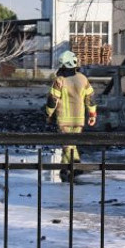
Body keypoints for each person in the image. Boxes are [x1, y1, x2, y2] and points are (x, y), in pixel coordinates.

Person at [44, 50, 96, 181]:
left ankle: (77, 166)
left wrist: (48, 113)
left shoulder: (60, 80)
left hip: (64, 119)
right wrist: (92, 114)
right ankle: (64, 170)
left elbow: (52, 100)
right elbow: (90, 98)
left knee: (68, 144)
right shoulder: (83, 79)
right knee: (71, 143)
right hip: (79, 119)